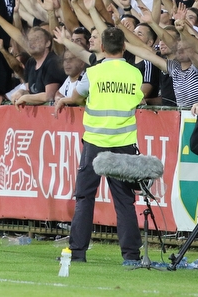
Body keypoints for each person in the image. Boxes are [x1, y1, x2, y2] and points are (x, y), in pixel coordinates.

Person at [55, 27, 144, 266]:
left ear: (102, 48)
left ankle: (78, 253)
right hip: (123, 143)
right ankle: (131, 256)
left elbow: (76, 96)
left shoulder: (93, 72)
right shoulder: (135, 73)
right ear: (124, 47)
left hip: (95, 143)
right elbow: (138, 99)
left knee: (85, 198)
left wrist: (64, 100)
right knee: (124, 201)